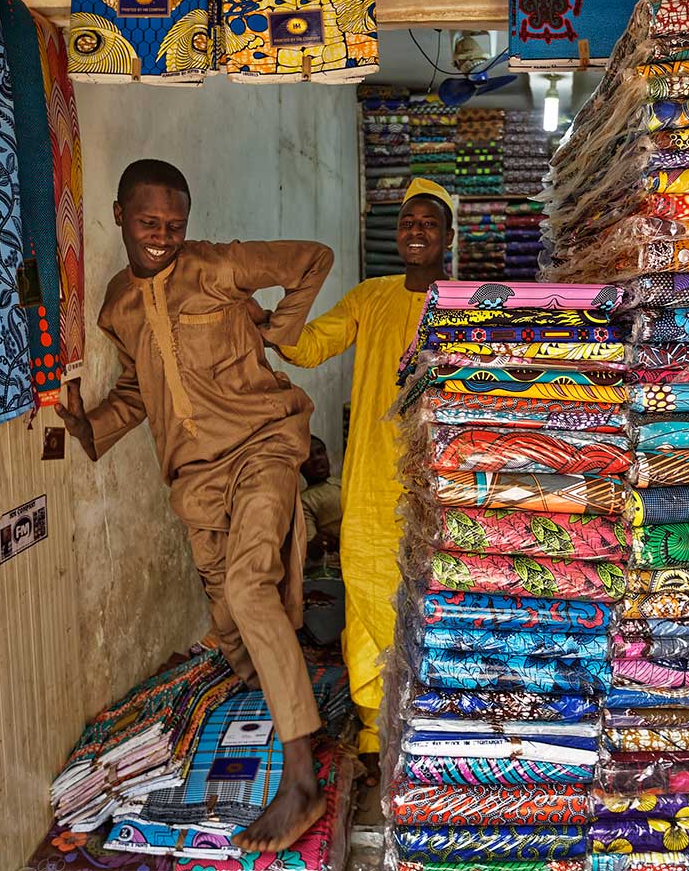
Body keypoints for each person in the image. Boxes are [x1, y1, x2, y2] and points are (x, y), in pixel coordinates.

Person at [56, 159, 333, 852]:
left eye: (174, 225)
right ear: (119, 215)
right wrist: (88, 429)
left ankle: (301, 779)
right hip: (195, 478)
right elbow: (139, 389)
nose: (162, 236)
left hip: (264, 446)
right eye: (149, 223)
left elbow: (311, 259)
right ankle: (294, 707)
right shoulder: (117, 306)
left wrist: (279, 331)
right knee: (232, 620)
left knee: (248, 586)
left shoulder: (214, 267)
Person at [264, 178, 455, 767]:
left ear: (448, 236)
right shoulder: (370, 297)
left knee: (437, 592)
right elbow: (310, 346)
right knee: (369, 585)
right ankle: (377, 728)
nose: (415, 231)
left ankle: (436, 717)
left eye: (428, 222)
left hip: (445, 476)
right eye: (407, 222)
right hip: (373, 476)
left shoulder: (472, 304)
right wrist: (268, 320)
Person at [299, 435, 342, 564]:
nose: (317, 459)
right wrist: (320, 542)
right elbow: (312, 547)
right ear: (299, 465)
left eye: (320, 452)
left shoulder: (346, 481)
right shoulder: (305, 500)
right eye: (308, 456)